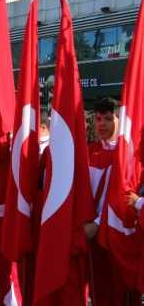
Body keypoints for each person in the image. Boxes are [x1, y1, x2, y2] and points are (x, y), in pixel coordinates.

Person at [85, 97, 140, 305]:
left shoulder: (128, 156)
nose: (102, 124)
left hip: (118, 234)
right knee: (99, 290)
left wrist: (98, 223)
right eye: (98, 119)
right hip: (93, 235)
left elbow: (124, 198)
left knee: (122, 292)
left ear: (120, 120)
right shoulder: (88, 153)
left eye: (108, 119)